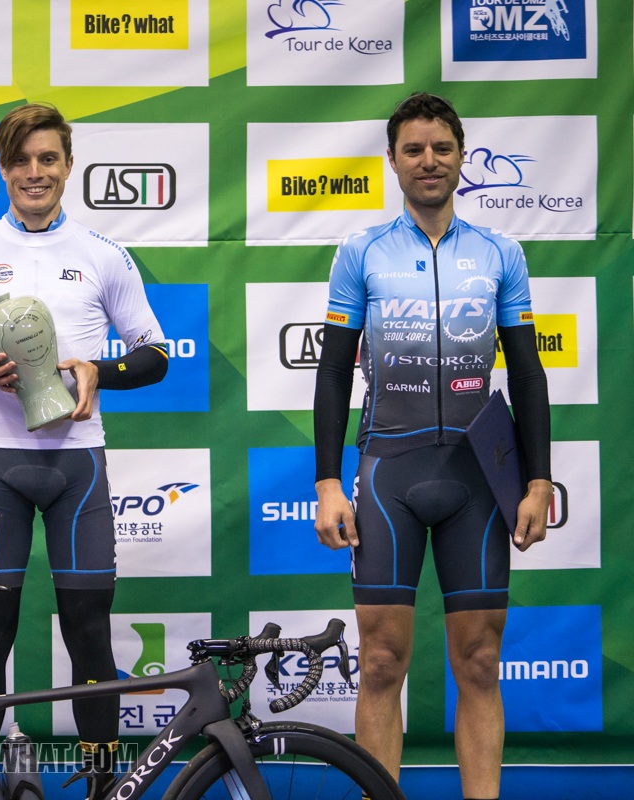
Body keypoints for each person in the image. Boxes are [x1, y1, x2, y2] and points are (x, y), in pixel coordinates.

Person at [0, 102, 169, 797]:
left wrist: (98, 371)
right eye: (21, 160)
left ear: (68, 166)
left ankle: (103, 784)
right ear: (2, 169)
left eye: (48, 158)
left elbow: (155, 355)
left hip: (77, 464)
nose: (34, 172)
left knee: (89, 633)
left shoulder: (103, 255)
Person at [312, 92, 552, 800]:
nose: (428, 161)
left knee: (479, 662)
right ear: (392, 160)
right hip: (389, 472)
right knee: (381, 661)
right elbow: (332, 374)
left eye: (441, 148)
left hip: (477, 482)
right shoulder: (362, 251)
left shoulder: (500, 253)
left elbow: (527, 373)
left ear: (461, 158)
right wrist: (328, 483)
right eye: (413, 149)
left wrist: (538, 482)